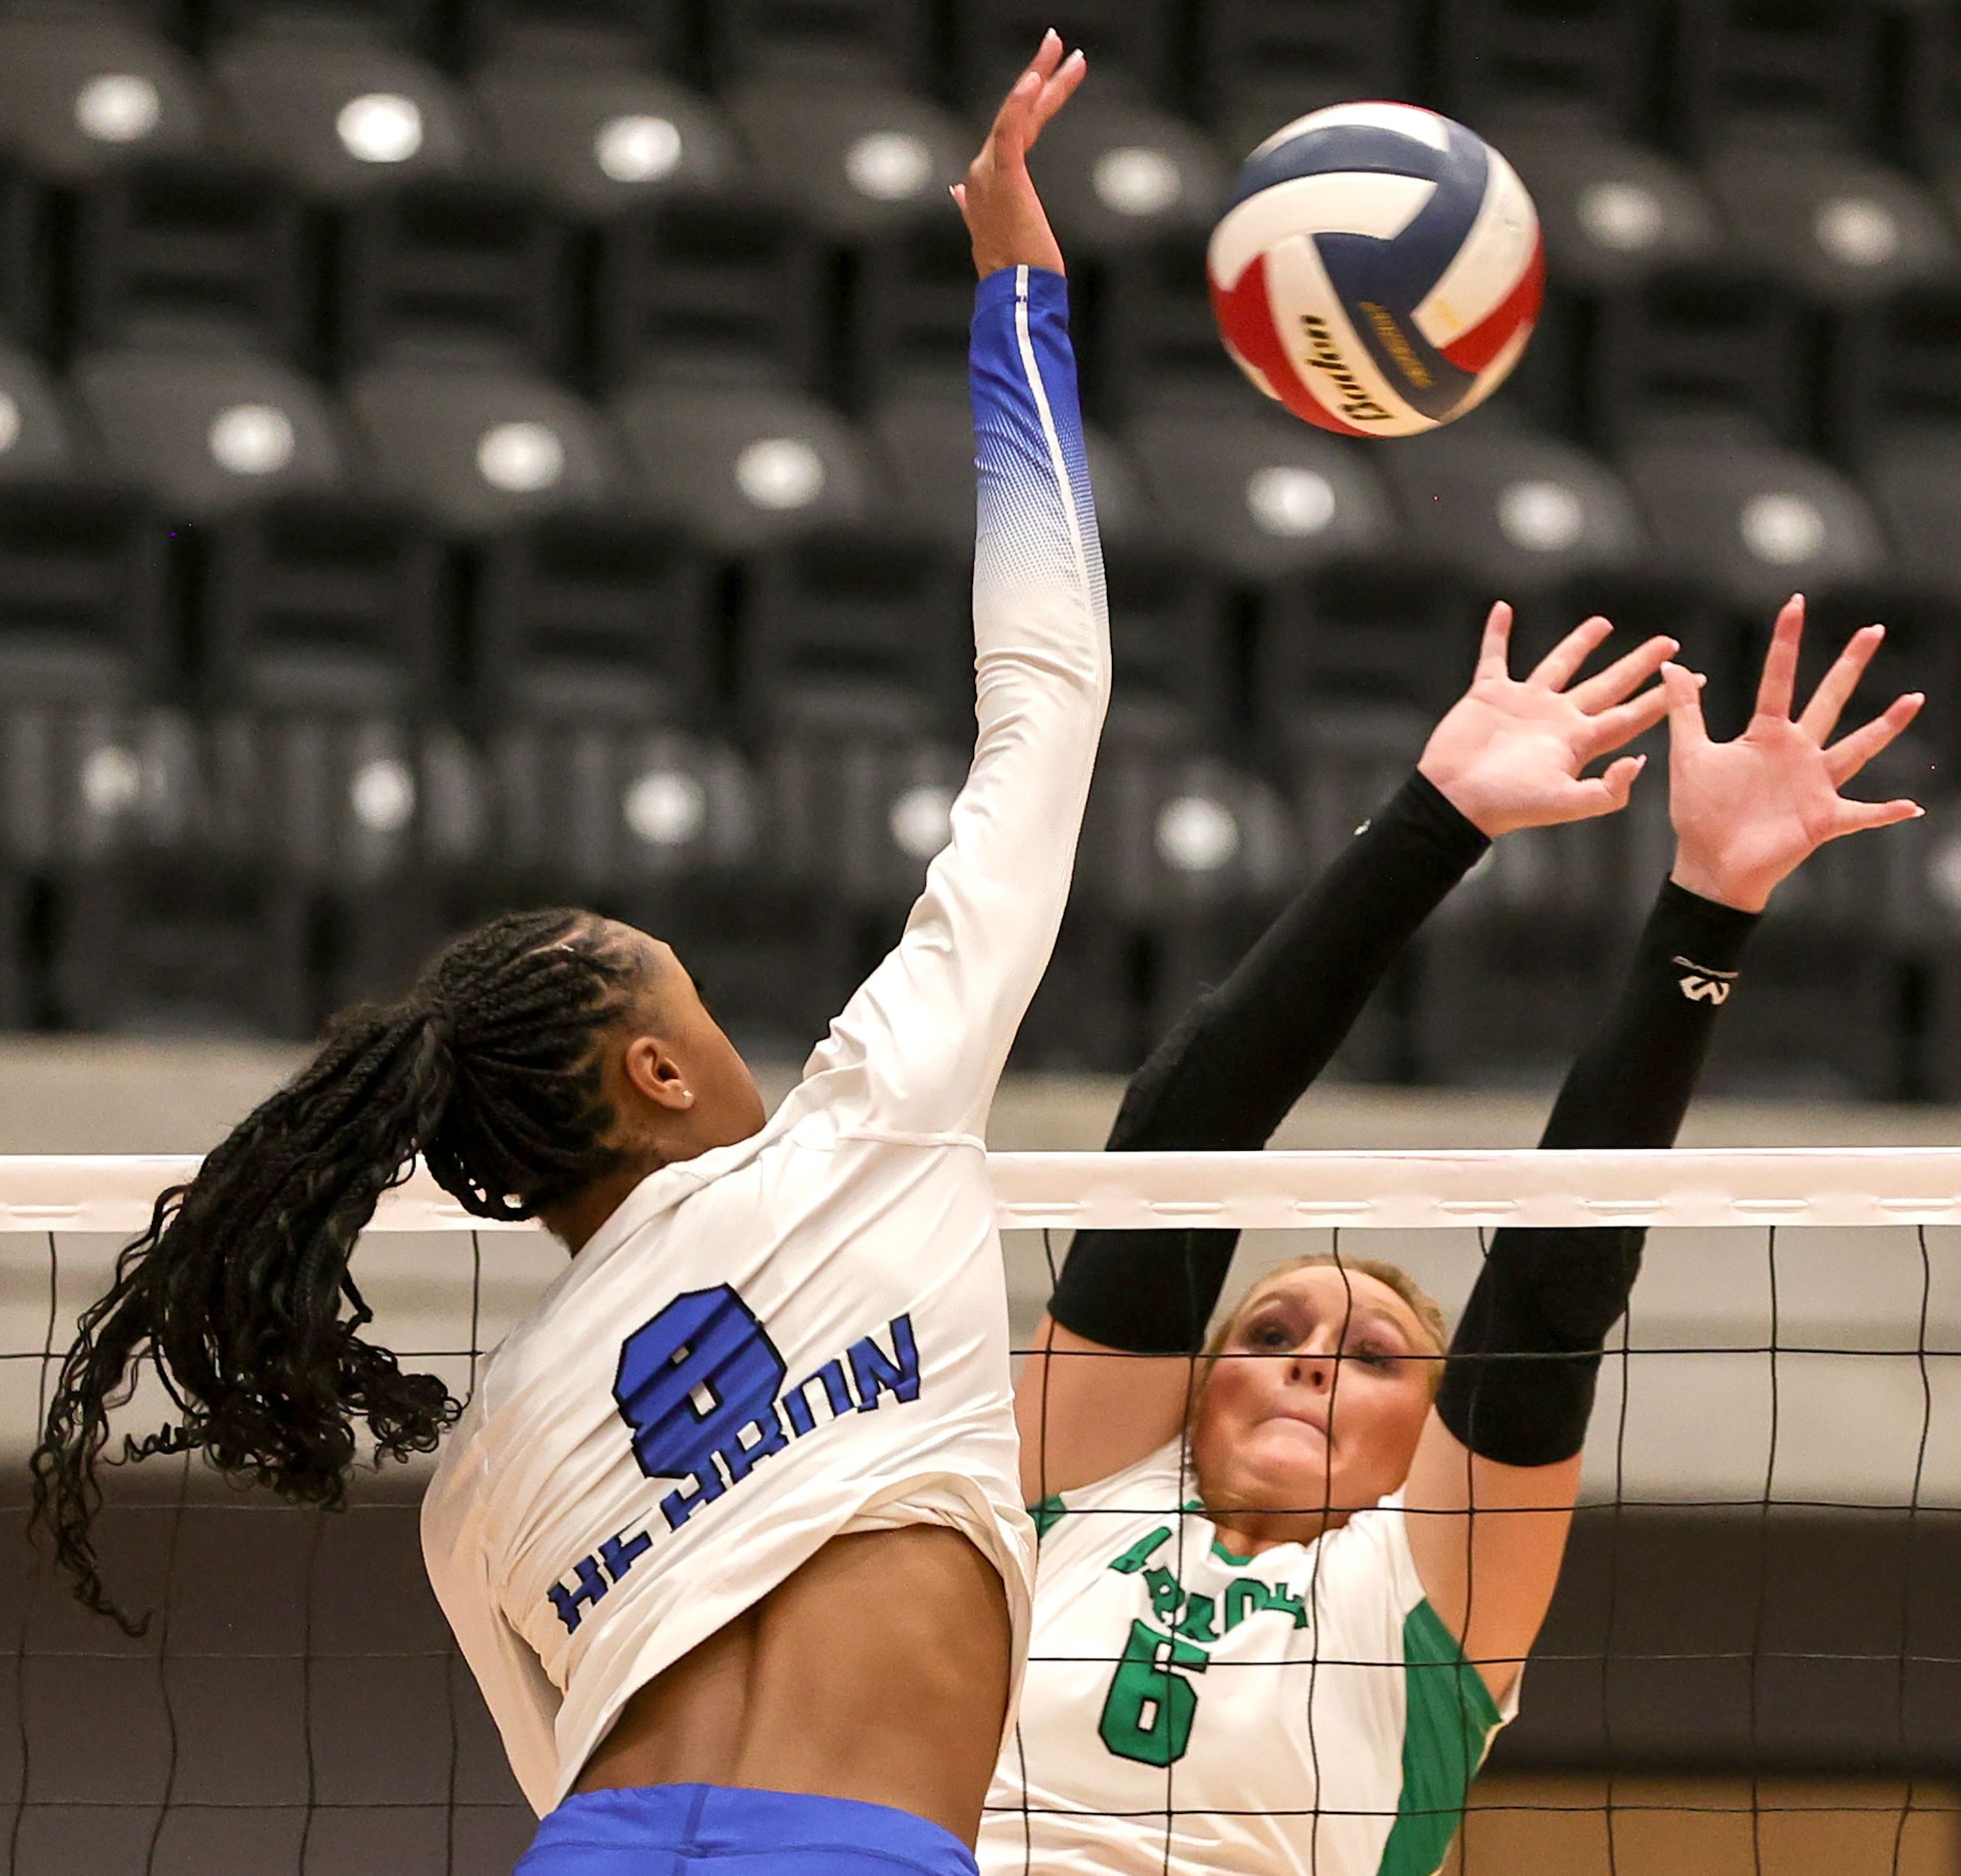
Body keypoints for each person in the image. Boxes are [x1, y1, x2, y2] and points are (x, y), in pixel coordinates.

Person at [32, 37, 1104, 1876]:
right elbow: (1046, 698)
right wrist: (1024, 304)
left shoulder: (480, 1480)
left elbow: (577, 1776)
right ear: (655, 1071)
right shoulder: (866, 1133)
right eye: (687, 988)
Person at [984, 597, 1925, 1876]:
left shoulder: (1423, 1595)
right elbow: (1181, 1136)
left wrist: (1710, 906)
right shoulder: (1077, 1490)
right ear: (1195, 1391)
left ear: (1430, 1447)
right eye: (1269, 1333)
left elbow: (1552, 1285)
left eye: (1374, 1359)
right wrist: (1438, 814)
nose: (1310, 1360)